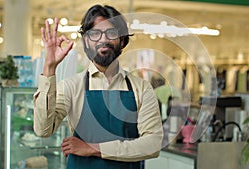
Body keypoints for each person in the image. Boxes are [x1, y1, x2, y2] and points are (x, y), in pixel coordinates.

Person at [33, 4, 163, 169]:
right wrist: (49, 68)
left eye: (111, 33)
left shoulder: (142, 88)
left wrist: (93, 148)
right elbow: (43, 130)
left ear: (122, 39)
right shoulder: (71, 87)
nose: (103, 40)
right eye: (95, 34)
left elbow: (152, 144)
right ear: (86, 41)